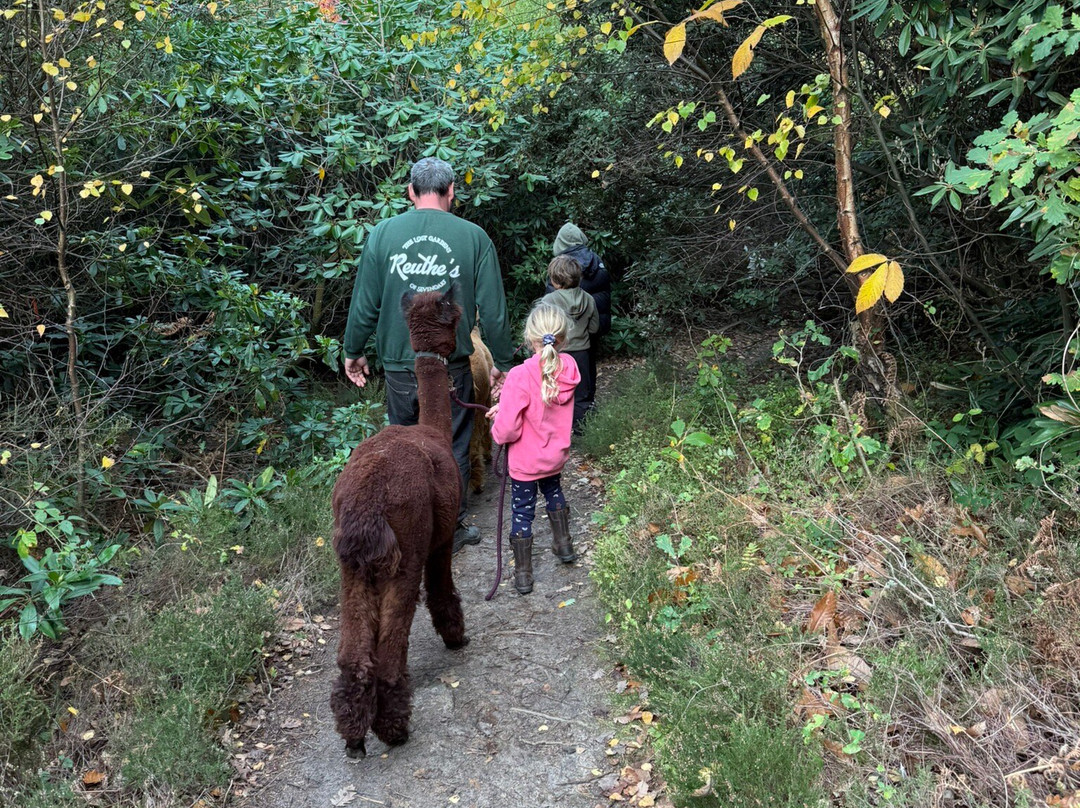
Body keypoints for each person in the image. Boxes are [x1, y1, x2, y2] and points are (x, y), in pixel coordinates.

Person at [342, 157, 514, 553]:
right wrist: (503, 361)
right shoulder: (473, 237)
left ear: (410, 192)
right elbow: (492, 309)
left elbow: (365, 303)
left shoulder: (382, 234)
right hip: (452, 365)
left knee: (404, 446)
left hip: (402, 366)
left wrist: (354, 350)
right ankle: (448, 530)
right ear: (451, 191)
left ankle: (411, 529)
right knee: (452, 444)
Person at [487, 303, 580, 595]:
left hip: (526, 463)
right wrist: (507, 407)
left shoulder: (518, 375)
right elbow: (544, 401)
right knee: (554, 492)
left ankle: (523, 575)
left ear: (529, 339)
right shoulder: (570, 368)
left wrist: (498, 420)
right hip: (554, 457)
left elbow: (508, 430)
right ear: (562, 339)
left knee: (523, 511)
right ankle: (564, 544)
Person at [548, 222, 612, 421]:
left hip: (561, 345)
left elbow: (546, 318)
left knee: (560, 382)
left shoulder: (559, 268)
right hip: (585, 340)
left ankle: (560, 422)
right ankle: (583, 422)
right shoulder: (597, 262)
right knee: (585, 382)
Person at [541, 255, 599, 431]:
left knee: (556, 390)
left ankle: (558, 429)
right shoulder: (588, 299)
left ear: (555, 281)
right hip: (582, 353)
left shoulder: (548, 301)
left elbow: (543, 330)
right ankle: (581, 429)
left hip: (557, 353)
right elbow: (595, 328)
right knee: (581, 394)